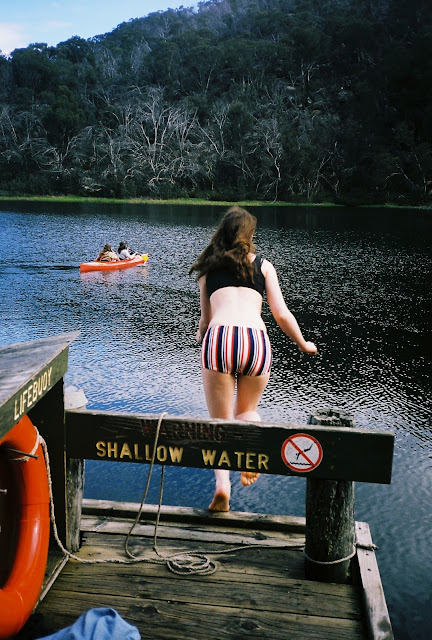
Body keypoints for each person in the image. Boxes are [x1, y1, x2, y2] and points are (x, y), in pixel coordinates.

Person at [189, 206, 317, 512]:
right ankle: (249, 451)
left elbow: (205, 321)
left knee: (219, 423)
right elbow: (281, 314)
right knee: (247, 411)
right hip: (255, 340)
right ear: (249, 235)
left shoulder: (208, 269)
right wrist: (303, 343)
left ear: (222, 233)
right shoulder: (263, 265)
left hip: (220, 337)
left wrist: (201, 339)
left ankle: (223, 487)